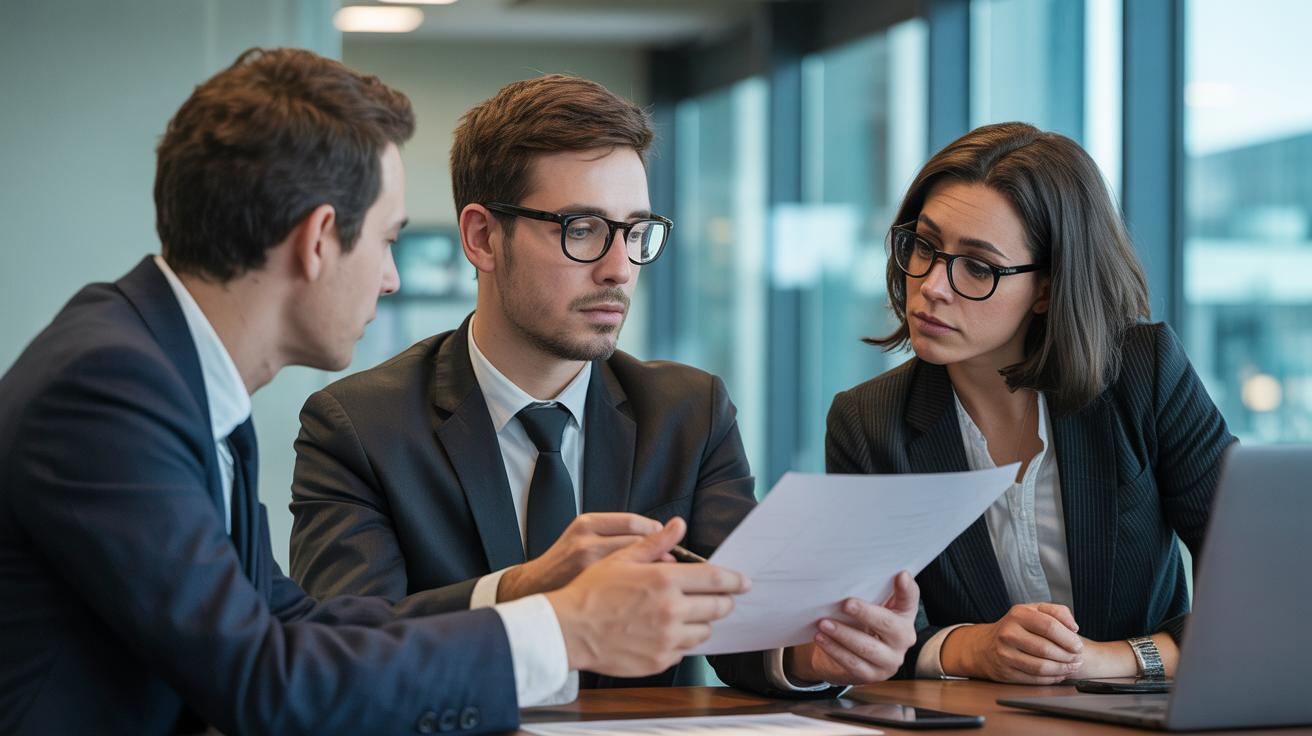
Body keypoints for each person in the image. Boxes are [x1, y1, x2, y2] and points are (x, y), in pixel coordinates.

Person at [0, 49, 752, 735]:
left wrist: (529, 590)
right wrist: (563, 629)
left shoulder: (162, 370)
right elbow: (264, 682)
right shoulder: (112, 387)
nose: (392, 278)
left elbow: (293, 625)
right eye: (388, 239)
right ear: (319, 238)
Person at [287, 73, 919, 699]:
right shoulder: (359, 425)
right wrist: (523, 590)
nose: (619, 269)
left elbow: (742, 622)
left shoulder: (689, 413)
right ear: (483, 237)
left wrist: (819, 651)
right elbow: (342, 643)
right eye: (582, 229)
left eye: (635, 231)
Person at [826, 122, 1236, 685]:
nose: (932, 286)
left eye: (978, 266)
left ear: (1048, 287)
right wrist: (969, 648)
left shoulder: (1144, 373)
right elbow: (866, 637)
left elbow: (1267, 590)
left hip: (1140, 719)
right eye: (924, 245)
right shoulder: (869, 422)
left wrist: (1105, 659)